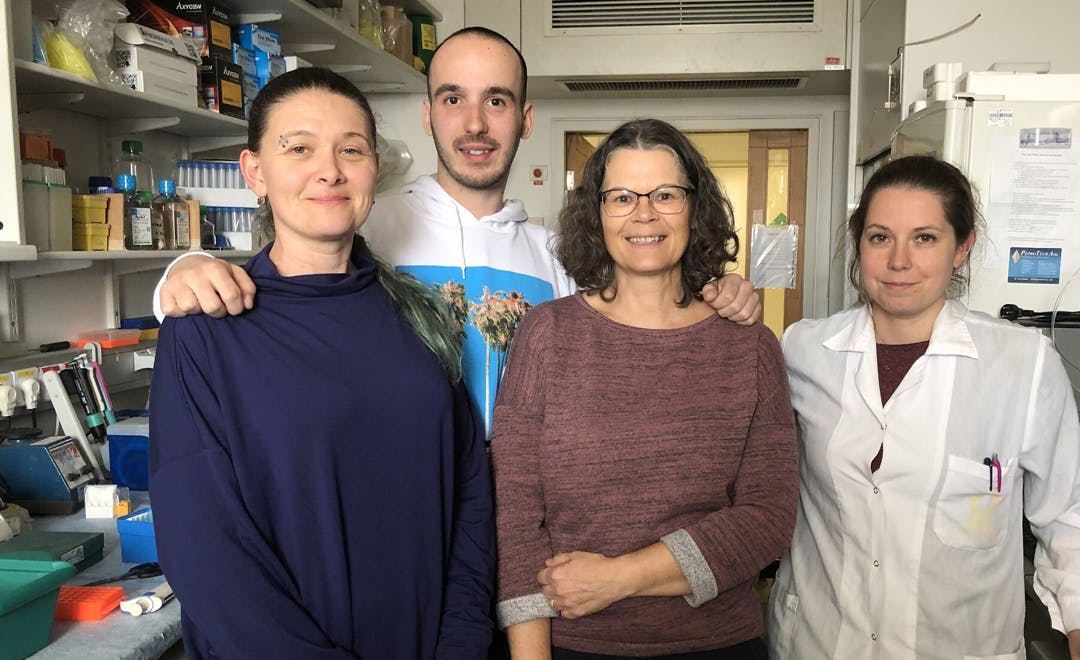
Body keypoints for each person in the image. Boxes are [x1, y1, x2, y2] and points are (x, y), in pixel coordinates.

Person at [151, 26, 761, 438]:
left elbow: (643, 313)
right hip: (405, 497)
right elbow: (262, 284)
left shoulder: (558, 254)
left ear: (524, 120)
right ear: (428, 114)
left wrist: (722, 294)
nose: (474, 123)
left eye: (496, 101)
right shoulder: (367, 226)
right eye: (452, 99)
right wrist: (181, 271)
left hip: (529, 505)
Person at [149, 67, 494, 660]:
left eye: (351, 150)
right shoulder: (206, 330)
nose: (329, 169)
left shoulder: (421, 316)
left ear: (372, 171)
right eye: (299, 147)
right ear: (254, 171)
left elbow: (469, 497)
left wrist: (461, 649)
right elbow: (206, 550)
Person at [767, 155, 1080, 660]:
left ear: (961, 248)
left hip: (956, 649)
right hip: (819, 642)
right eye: (880, 237)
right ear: (860, 246)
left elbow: (1071, 507)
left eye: (925, 238)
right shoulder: (804, 351)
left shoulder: (1020, 362)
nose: (899, 261)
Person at [491, 118, 799, 660]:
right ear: (597, 212)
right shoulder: (547, 334)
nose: (644, 214)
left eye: (665, 194)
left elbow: (768, 517)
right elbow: (516, 521)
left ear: (695, 206)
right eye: (622, 197)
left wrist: (618, 578)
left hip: (716, 647)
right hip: (571, 647)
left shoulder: (749, 347)